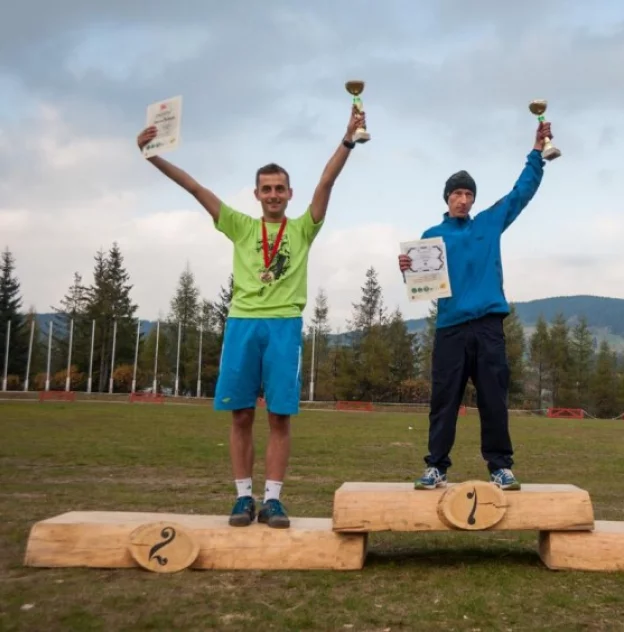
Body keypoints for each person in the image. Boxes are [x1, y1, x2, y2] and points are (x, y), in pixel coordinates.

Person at [136, 106, 365, 528]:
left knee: (279, 416)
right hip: (242, 323)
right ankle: (243, 498)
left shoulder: (304, 228)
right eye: (267, 189)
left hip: (284, 327)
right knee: (241, 414)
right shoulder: (240, 226)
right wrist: (154, 157)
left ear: (290, 194)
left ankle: (273, 500)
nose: (274, 194)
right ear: (256, 194)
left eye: (280, 188)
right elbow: (194, 188)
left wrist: (347, 139)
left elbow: (326, 180)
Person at [397, 120, 552, 491]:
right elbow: (424, 286)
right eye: (457, 194)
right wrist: (407, 270)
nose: (463, 199)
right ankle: (436, 466)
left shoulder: (489, 223)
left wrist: (537, 154)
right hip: (450, 328)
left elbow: (520, 193)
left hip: (488, 326)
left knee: (494, 401)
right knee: (443, 401)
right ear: (447, 199)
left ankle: (500, 467)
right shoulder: (431, 238)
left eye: (468, 194)